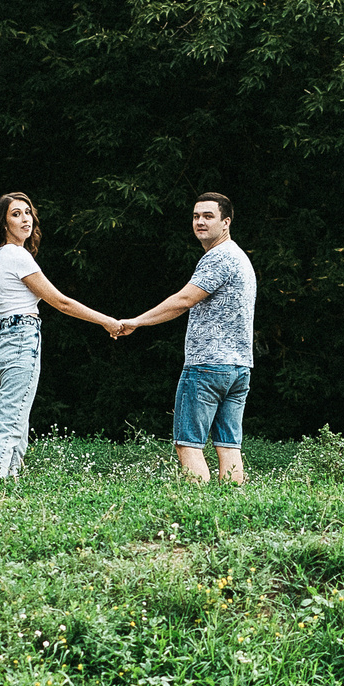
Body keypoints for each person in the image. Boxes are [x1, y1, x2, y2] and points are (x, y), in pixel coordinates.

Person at [0, 191, 124, 480]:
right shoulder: (18, 256)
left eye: (28, 212)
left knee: (16, 418)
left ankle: (9, 481)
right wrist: (106, 321)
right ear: (3, 224)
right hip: (20, 339)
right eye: (16, 214)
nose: (25, 219)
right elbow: (61, 302)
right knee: (10, 422)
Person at [118, 192, 255, 484]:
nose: (200, 222)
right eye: (196, 216)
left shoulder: (218, 257)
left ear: (226, 222)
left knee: (188, 443)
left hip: (207, 366)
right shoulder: (240, 257)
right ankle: (235, 505)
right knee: (229, 445)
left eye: (208, 216)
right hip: (239, 368)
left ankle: (196, 505)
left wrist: (137, 321)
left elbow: (183, 300)